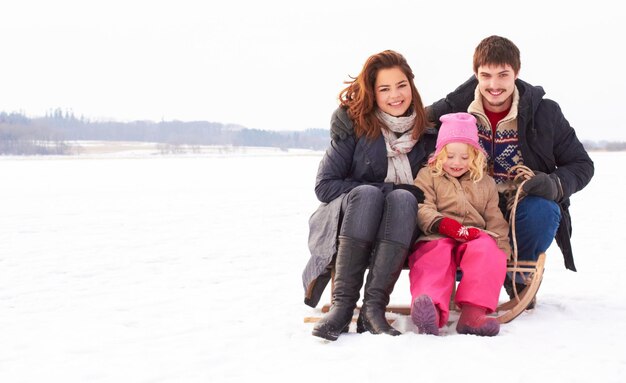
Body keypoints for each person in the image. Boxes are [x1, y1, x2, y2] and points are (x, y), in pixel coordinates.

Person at [330, 36, 594, 306]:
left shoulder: (545, 113)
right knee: (442, 230)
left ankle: (516, 275)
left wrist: (555, 184)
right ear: (476, 74)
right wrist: (349, 114)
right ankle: (448, 284)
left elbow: (582, 164)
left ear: (516, 72)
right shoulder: (456, 106)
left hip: (519, 206)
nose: (494, 85)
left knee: (545, 209)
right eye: (486, 75)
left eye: (503, 75)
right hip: (464, 204)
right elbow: (405, 114)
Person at [302, 50, 436, 341]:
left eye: (401, 85)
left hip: (400, 229)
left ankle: (373, 309)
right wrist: (388, 188)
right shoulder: (354, 126)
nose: (395, 95)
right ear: (373, 94)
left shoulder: (427, 136)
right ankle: (342, 306)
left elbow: (469, 91)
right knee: (368, 194)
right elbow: (325, 185)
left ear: (411, 86)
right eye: (384, 89)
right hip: (352, 223)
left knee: (404, 200)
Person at [408, 112, 509, 337]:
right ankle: (430, 310)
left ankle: (473, 315)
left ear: (475, 157)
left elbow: (495, 219)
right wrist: (443, 224)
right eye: (450, 156)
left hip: (475, 234)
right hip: (438, 233)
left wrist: (501, 250)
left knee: (486, 249)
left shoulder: (485, 183)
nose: (456, 163)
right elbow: (421, 207)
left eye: (465, 158)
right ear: (439, 154)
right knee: (434, 255)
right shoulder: (428, 175)